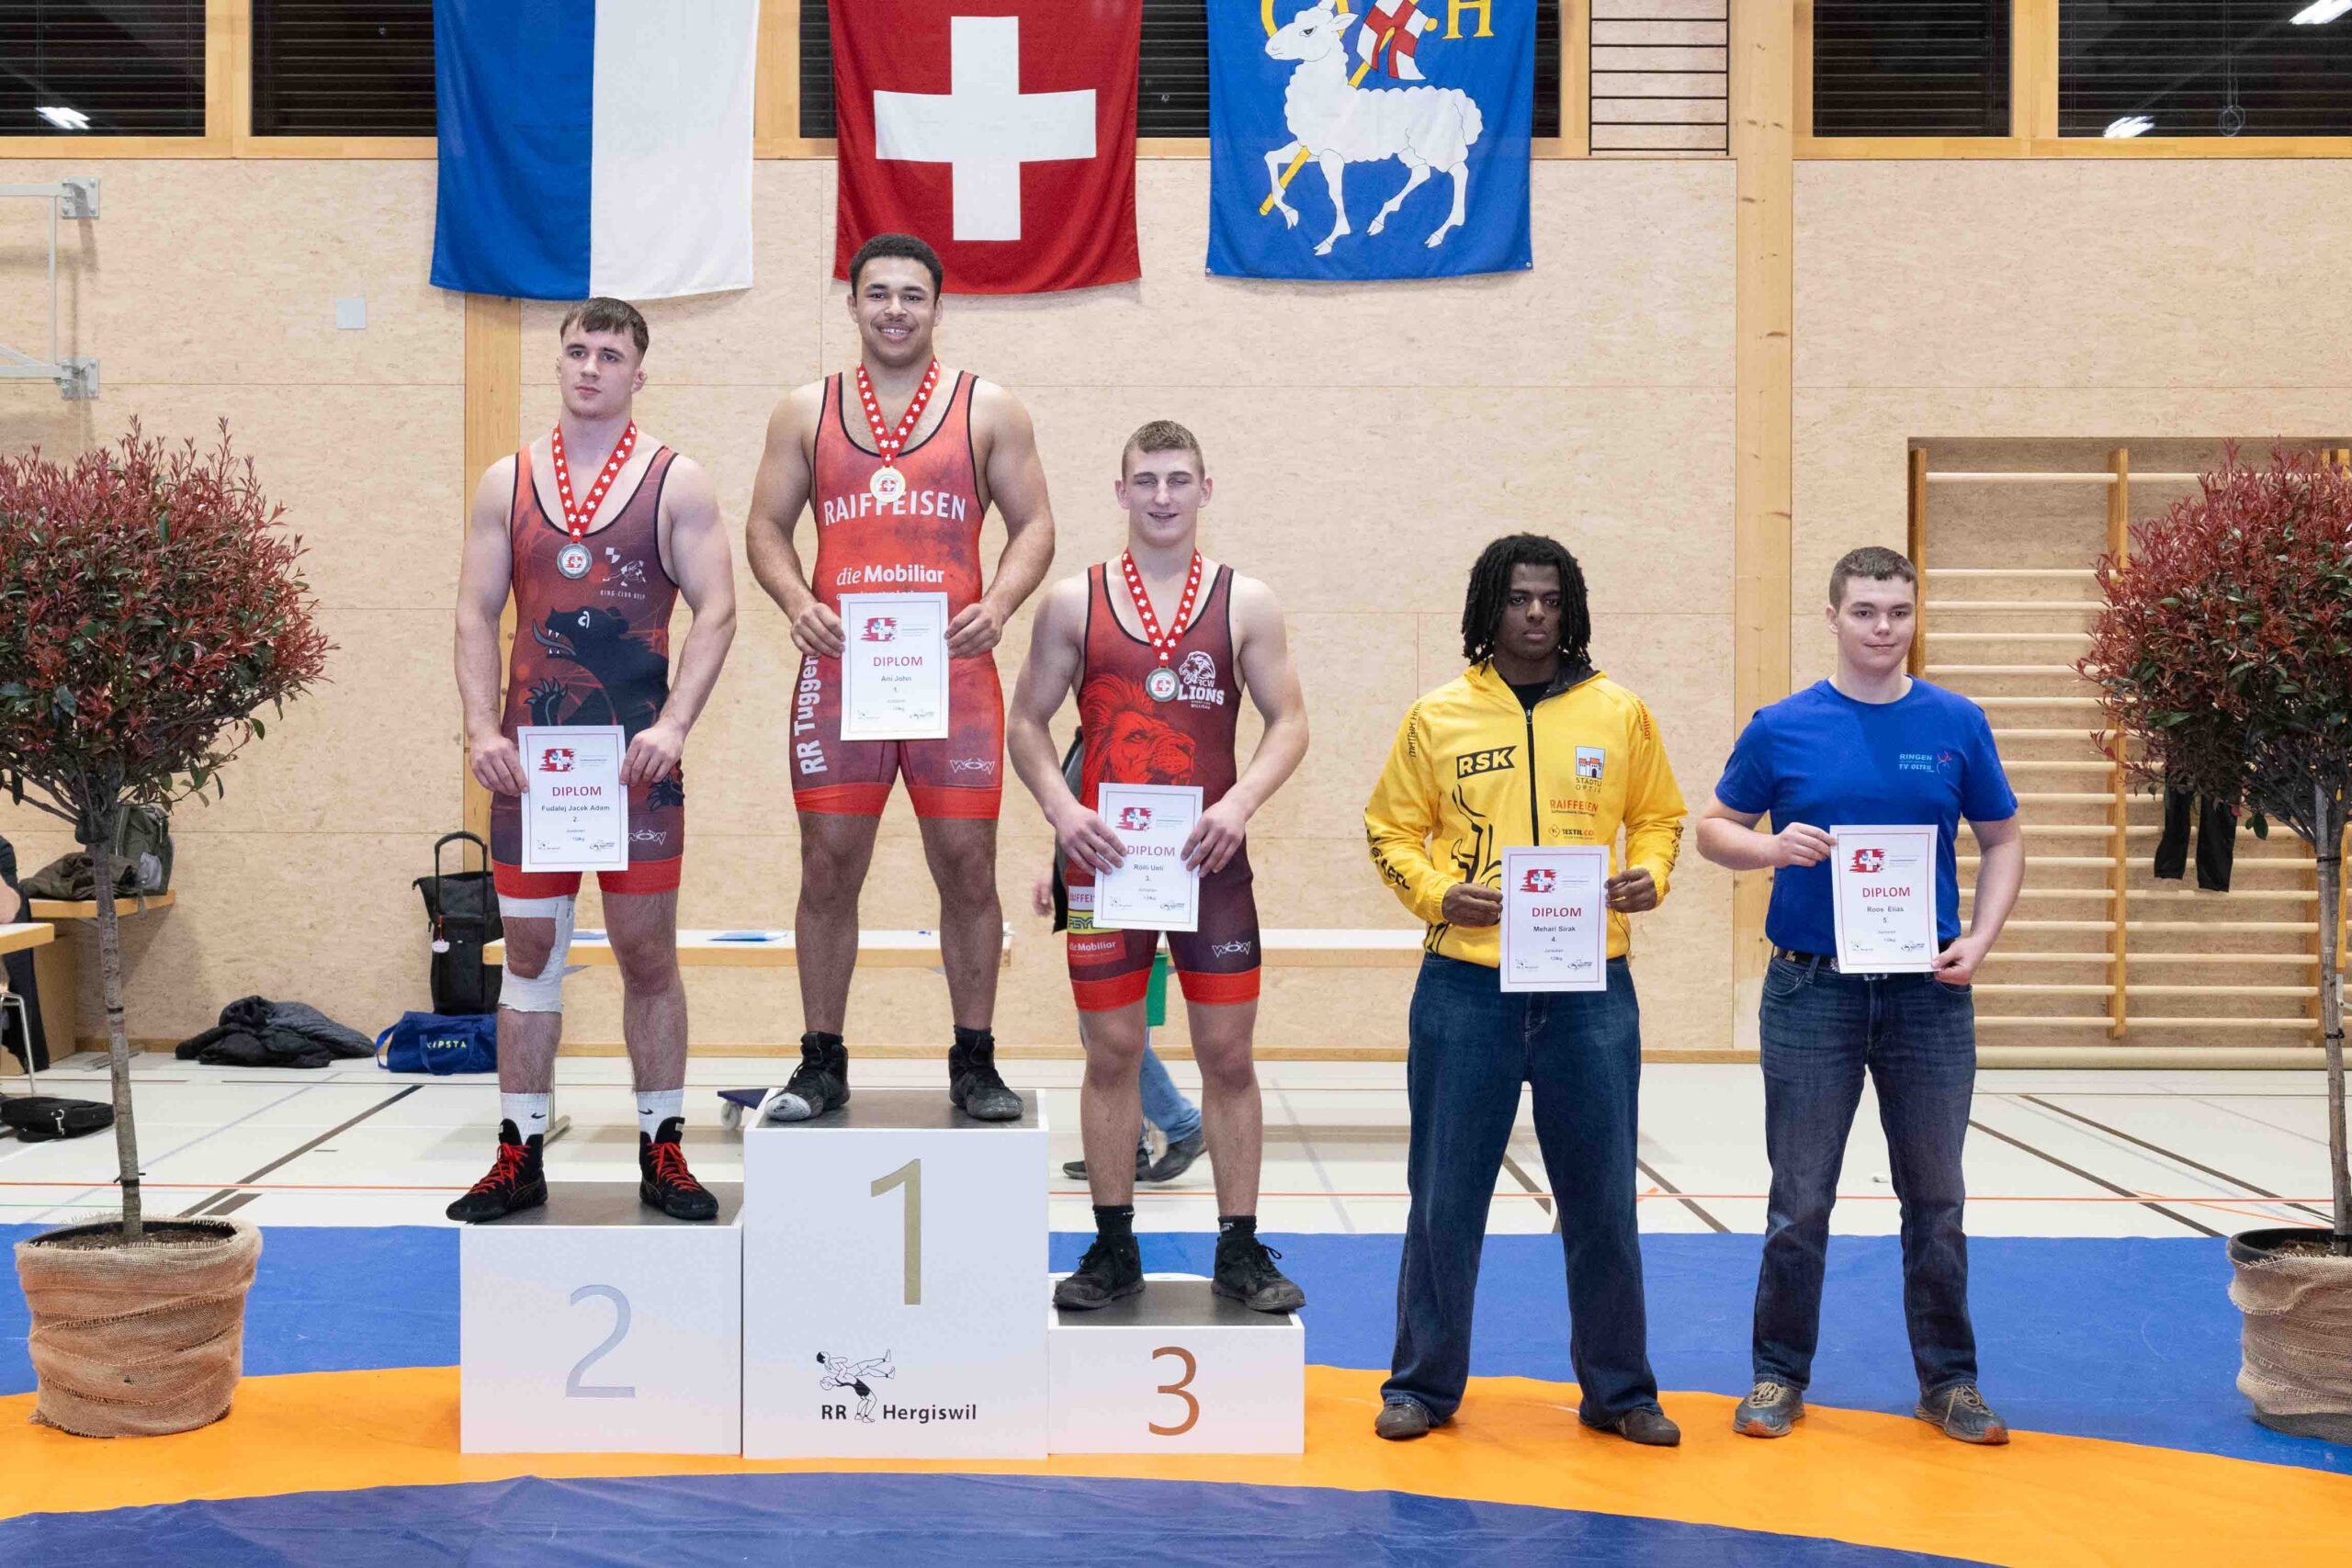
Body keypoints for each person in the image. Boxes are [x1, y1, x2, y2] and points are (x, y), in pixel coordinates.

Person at [1694, 545, 2024, 1446]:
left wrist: (1980, 940)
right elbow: (1712, 829)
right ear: (1833, 617)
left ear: (1915, 616)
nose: (1883, 627)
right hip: (1812, 988)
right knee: (1799, 1198)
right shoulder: (1782, 726)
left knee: (1937, 1199)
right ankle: (1776, 1374)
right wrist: (1769, 848)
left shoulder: (1956, 721)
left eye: (1898, 612)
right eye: (1866, 611)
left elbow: (2002, 838)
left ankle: (1949, 1382)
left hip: (1927, 994)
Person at [1363, 534, 1685, 1448]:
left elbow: (1659, 816)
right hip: (1467, 988)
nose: (1536, 613)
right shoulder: (1436, 717)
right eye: (1518, 599)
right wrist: (1439, 894)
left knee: (1603, 1199)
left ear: (1569, 607)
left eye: (1550, 598)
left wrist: (1652, 873)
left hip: (1591, 990)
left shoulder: (1620, 712)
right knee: (1444, 1196)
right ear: (1488, 609)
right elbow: (1389, 829)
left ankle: (1620, 1392)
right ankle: (1421, 1387)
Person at [744, 232, 1057, 1122]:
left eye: (911, 295)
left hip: (951, 671)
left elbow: (1036, 524)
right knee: (826, 865)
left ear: (938, 307)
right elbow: (763, 527)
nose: (894, 309)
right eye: (877, 293)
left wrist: (998, 603)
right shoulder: (804, 410)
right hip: (843, 669)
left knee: (967, 865)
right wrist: (796, 600)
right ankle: (821, 1059)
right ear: (851, 304)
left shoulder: (989, 408)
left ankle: (974, 1060)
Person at [1008, 420, 1308, 1313]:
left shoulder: (1247, 602)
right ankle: (1113, 1249)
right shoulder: (1074, 601)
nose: (1163, 496)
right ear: (1120, 492)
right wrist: (1063, 812)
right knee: (1111, 1051)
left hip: (1210, 864)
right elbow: (1025, 721)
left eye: (1179, 479)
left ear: (1206, 489)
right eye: (1146, 480)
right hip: (1108, 867)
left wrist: (1238, 804)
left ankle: (1240, 1250)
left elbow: (1289, 721)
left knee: (1227, 1055)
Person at [449, 297, 737, 1223]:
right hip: (532, 769)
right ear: (558, 363)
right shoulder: (507, 481)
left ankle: (663, 1150)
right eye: (577, 350)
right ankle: (518, 1153)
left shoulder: (675, 481)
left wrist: (676, 725)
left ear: (637, 374)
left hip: (636, 769)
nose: (589, 367)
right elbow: (474, 612)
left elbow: (719, 608)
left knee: (646, 954)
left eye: (610, 355)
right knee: (529, 956)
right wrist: (481, 731)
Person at [1032, 735, 1205, 1186]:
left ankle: (1182, 1125)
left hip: (1127, 900)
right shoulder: (1086, 740)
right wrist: (1053, 869)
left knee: (1113, 1036)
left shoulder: (1128, 744)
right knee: (1104, 1034)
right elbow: (1077, 818)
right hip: (1096, 896)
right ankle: (1130, 1147)